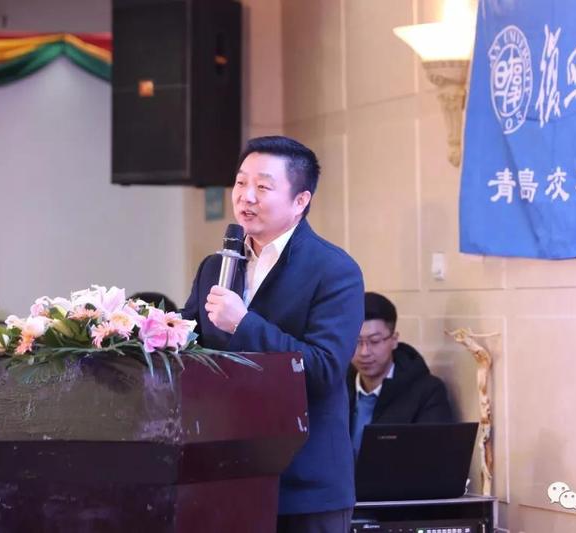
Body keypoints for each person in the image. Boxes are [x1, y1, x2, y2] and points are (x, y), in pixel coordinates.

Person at [182, 136, 364, 533]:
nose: (246, 196)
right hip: (226, 477)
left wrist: (243, 324)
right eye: (240, 182)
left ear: (300, 201)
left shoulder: (334, 270)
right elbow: (187, 345)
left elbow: (323, 369)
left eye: (263, 186)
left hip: (305, 486)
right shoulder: (216, 266)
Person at [348, 292, 453, 456]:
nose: (364, 352)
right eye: (356, 342)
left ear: (394, 340)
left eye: (374, 341)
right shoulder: (334, 387)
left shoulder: (427, 392)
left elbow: (436, 457)